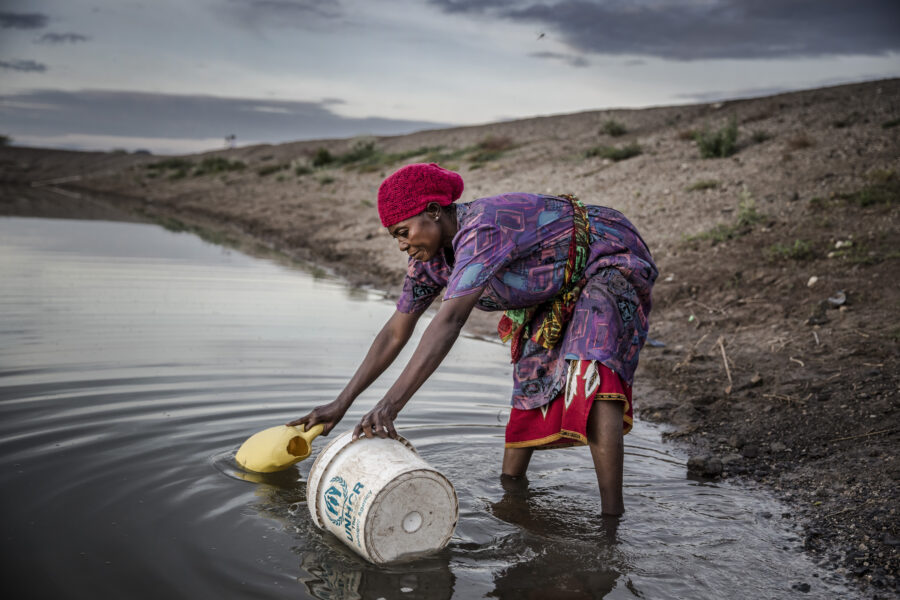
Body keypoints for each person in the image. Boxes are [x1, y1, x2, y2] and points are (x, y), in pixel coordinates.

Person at [289, 163, 657, 515]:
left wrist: (390, 406)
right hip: (551, 288)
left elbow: (449, 321)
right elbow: (395, 331)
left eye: (403, 232)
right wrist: (341, 403)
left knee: (592, 370)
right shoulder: (429, 260)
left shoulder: (484, 228)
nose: (401, 245)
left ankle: (612, 518)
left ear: (433, 211)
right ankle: (511, 492)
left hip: (607, 261)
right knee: (531, 376)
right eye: (395, 237)